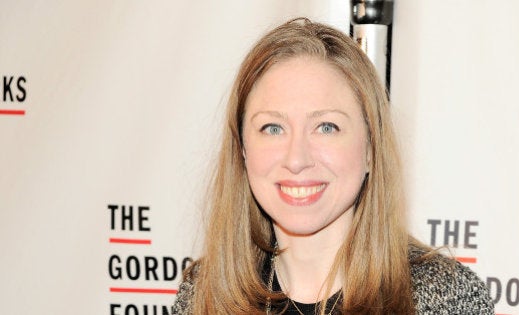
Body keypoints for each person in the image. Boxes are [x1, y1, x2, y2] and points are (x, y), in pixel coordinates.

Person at [172, 18, 494, 315]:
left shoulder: (447, 300)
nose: (296, 159)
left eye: (326, 127)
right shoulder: (201, 296)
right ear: (242, 149)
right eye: (272, 128)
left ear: (370, 148)